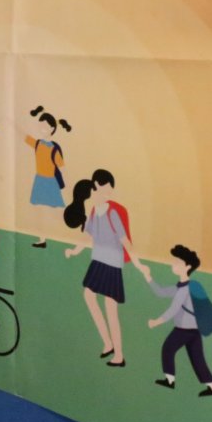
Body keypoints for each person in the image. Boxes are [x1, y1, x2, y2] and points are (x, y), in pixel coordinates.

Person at [63, 168, 131, 368]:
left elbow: (124, 240)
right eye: (105, 189)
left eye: (110, 189)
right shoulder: (94, 211)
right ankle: (108, 343)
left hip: (112, 264)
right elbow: (89, 236)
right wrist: (75, 250)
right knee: (89, 295)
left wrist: (138, 263)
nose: (108, 193)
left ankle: (119, 355)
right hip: (98, 261)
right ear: (96, 187)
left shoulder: (112, 212)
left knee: (111, 308)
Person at [137, 245, 212, 397]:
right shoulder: (181, 287)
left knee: (168, 349)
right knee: (197, 359)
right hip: (194, 331)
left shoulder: (184, 290)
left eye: (177, 262)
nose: (173, 264)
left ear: (187, 267)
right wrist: (148, 276)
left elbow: (173, 310)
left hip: (184, 330)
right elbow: (161, 292)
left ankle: (170, 380)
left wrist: (156, 322)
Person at [21, 107, 70, 248]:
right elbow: (24, 135)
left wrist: (69, 188)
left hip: (50, 183)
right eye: (40, 126)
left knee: (55, 212)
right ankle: (42, 240)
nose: (42, 129)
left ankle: (70, 226)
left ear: (52, 129)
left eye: (45, 127)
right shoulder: (38, 144)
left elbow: (63, 169)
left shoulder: (54, 149)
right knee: (39, 212)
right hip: (39, 181)